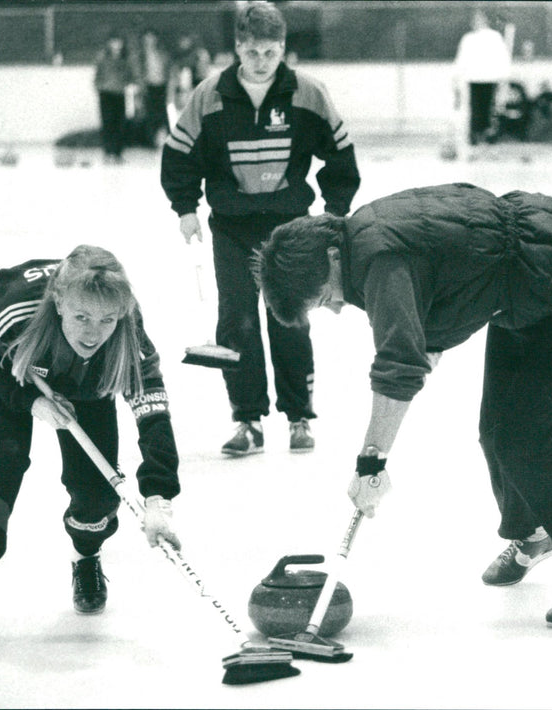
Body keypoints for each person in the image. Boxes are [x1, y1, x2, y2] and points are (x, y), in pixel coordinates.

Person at [253, 183, 552, 629]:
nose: (335, 308)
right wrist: (427, 342)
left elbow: (397, 365)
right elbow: (450, 266)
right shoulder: (363, 234)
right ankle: (535, 533)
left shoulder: (378, 261)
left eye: (322, 298)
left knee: (524, 444)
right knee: (495, 432)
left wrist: (371, 463)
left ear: (331, 258)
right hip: (528, 287)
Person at [0, 245, 181, 650]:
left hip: (87, 374)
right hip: (12, 361)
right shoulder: (14, 316)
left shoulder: (124, 331)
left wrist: (159, 498)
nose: (92, 332)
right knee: (5, 455)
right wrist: (31, 402)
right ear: (59, 303)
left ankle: (86, 557)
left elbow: (153, 413)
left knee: (97, 489)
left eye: (105, 320)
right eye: (82, 317)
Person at [160, 1, 360, 457]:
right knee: (238, 321)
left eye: (270, 53)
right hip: (232, 228)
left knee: (289, 316)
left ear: (283, 48)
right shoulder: (209, 94)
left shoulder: (309, 93)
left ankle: (299, 418)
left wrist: (335, 210)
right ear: (237, 48)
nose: (261, 62)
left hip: (290, 227)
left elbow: (341, 155)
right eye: (252, 53)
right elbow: (179, 155)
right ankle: (247, 421)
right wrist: (185, 208)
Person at [452, 9, 512, 159]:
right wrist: (455, 79)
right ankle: (475, 148)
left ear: (485, 20)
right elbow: (461, 60)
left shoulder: (495, 37)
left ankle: (490, 146)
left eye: (478, 19)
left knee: (489, 114)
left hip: (490, 80)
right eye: (474, 19)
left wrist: (504, 79)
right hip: (474, 80)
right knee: (476, 114)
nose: (475, 22)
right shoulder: (468, 39)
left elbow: (503, 59)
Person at [93, 30, 135, 164]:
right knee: (107, 123)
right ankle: (108, 153)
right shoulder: (103, 58)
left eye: (119, 42)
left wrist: (129, 85)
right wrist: (100, 87)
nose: (116, 45)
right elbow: (97, 75)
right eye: (114, 42)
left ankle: (117, 153)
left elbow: (130, 76)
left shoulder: (125, 59)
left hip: (120, 94)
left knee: (119, 123)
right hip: (106, 94)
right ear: (109, 43)